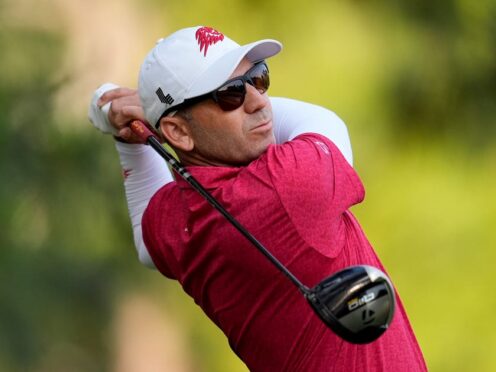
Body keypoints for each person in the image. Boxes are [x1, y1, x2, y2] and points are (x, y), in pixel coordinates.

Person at [89, 26, 427, 371]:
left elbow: (147, 241)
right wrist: (149, 117)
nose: (258, 100)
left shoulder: (178, 220)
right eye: (230, 94)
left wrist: (132, 138)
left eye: (258, 78)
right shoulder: (286, 187)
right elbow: (327, 122)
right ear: (178, 132)